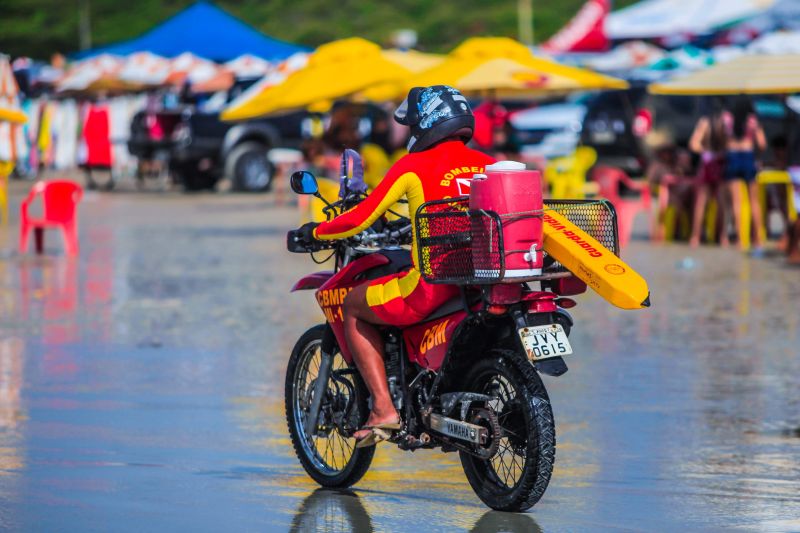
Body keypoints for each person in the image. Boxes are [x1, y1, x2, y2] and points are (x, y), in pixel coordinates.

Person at [297, 86, 495, 447]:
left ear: (427, 123)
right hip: (484, 284)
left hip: (432, 287)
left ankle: (384, 409)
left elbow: (360, 216)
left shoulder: (413, 166)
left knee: (353, 304)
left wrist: (317, 230)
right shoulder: (491, 164)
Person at [722, 97, 767, 252]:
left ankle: (741, 239)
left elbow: (723, 141)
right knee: (754, 201)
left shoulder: (727, 119)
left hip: (733, 156)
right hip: (748, 157)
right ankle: (757, 238)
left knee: (736, 202)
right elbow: (762, 143)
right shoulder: (753, 120)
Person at [688, 100, 728, 247]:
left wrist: (706, 152)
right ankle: (723, 237)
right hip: (720, 162)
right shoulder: (724, 122)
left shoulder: (704, 122)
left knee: (701, 203)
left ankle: (695, 237)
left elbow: (694, 144)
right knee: (721, 203)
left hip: (707, 162)